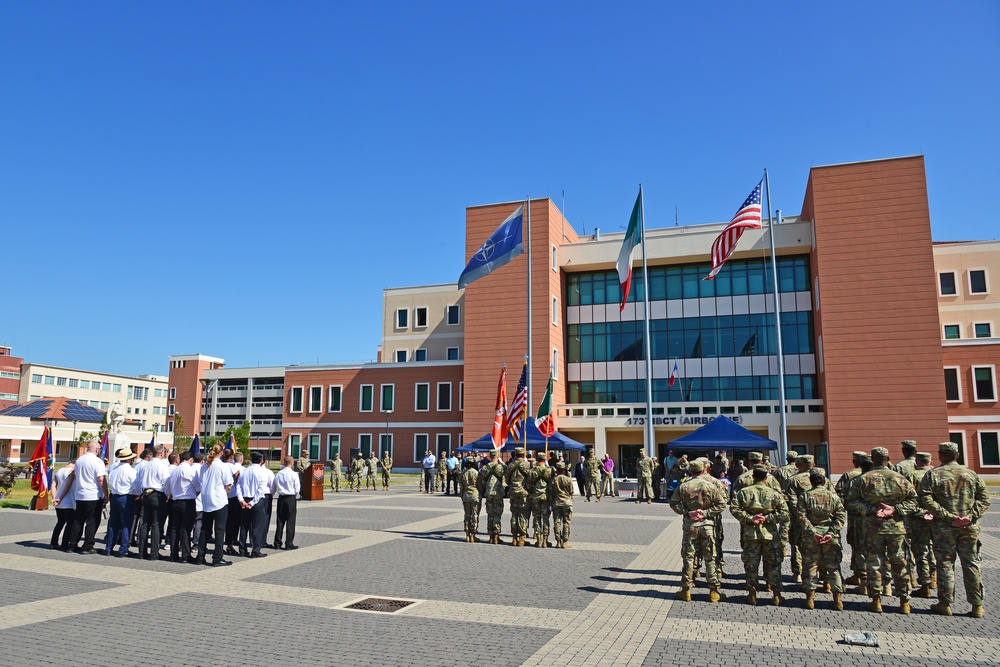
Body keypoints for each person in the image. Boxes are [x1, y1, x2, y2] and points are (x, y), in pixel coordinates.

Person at [919, 441, 990, 618]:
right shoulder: (971, 474)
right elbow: (984, 499)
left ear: (940, 455)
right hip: (968, 527)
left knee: (945, 565)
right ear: (957, 455)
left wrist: (948, 516)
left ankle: (945, 603)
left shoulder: (932, 475)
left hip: (944, 528)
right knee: (972, 564)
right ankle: (977, 606)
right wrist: (970, 516)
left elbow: (925, 499)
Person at [848, 447, 917, 614]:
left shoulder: (863, 479)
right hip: (896, 529)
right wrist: (895, 509)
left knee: (874, 564)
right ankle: (904, 602)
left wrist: (871, 509)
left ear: (873, 459)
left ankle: (876, 600)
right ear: (888, 458)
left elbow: (850, 502)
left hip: (872, 528)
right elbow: (914, 502)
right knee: (900, 564)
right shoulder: (900, 479)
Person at [670, 459, 727, 602]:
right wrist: (706, 513)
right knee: (710, 558)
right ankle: (713, 592)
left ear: (690, 471)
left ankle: (686, 590)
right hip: (707, 526)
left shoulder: (684, 486)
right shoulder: (711, 486)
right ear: (704, 470)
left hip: (690, 526)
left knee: (689, 557)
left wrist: (687, 512)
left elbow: (673, 503)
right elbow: (722, 504)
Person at [731, 466, 789, 606]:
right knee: (773, 564)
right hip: (769, 534)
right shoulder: (774, 494)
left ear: (753, 477)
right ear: (767, 478)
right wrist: (768, 518)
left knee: (751, 565)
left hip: (751, 534)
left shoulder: (744, 492)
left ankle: (752, 594)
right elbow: (784, 513)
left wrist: (750, 518)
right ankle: (776, 595)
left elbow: (734, 508)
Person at [798, 468, 847, 611]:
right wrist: (831, 533)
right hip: (830, 538)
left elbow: (801, 517)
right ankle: (838, 600)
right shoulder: (833, 496)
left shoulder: (805, 496)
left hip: (810, 537)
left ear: (811, 482)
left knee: (810, 567)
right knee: (834, 568)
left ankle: (810, 599)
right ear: (824, 481)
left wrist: (813, 532)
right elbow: (840, 516)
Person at [57, 440, 108, 554]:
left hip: (79, 495)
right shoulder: (97, 461)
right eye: (99, 449)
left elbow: (74, 476)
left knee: (78, 521)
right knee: (92, 521)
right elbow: (101, 479)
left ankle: (72, 544)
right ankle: (87, 546)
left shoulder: (79, 461)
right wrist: (106, 493)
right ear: (96, 450)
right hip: (93, 495)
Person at [198, 444, 235, 566]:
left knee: (205, 529)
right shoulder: (222, 466)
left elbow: (201, 481)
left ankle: (200, 556)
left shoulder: (205, 465)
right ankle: (217, 557)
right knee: (219, 530)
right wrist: (225, 493)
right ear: (222, 452)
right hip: (219, 500)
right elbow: (228, 485)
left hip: (206, 500)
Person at [835, 451, 867, 586]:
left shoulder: (850, 475)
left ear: (855, 461)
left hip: (856, 518)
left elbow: (839, 495)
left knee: (857, 545)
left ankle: (861, 577)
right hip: (879, 519)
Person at [136, 444, 170, 560]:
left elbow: (140, 480)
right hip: (157, 494)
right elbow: (166, 482)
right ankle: (154, 552)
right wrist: (168, 495)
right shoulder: (161, 466)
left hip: (146, 494)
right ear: (161, 454)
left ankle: (142, 551)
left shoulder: (146, 465)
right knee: (156, 524)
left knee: (145, 523)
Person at [166, 448, 200, 563]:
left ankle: (173, 553)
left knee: (175, 528)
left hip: (175, 500)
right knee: (186, 529)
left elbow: (169, 486)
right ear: (190, 460)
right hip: (187, 501)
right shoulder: (190, 471)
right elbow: (198, 487)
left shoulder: (174, 470)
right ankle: (186, 555)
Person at [104, 448, 137, 558]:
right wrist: (138, 494)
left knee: (113, 523)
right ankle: (123, 549)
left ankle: (109, 548)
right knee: (125, 524)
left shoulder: (114, 470)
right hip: (126, 497)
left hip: (115, 496)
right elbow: (136, 487)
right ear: (129, 459)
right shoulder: (131, 471)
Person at [237, 452, 268, 558]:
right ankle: (256, 549)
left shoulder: (244, 471)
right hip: (256, 501)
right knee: (257, 526)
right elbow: (260, 490)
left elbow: (238, 486)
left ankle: (242, 549)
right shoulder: (262, 472)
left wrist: (241, 500)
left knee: (244, 526)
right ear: (261, 460)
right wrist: (253, 502)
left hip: (245, 499)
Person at [477, 449, 506, 544]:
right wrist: (501, 462)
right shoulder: (501, 467)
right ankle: (496, 536)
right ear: (497, 456)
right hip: (498, 493)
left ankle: (490, 536)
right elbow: (508, 472)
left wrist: (485, 487)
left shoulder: (485, 468)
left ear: (490, 456)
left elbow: (481, 481)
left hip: (488, 493)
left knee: (490, 514)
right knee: (497, 514)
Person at [505, 447, 532, 546]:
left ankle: (514, 538)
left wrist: (512, 485)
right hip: (523, 492)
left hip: (513, 492)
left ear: (515, 454)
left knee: (514, 514)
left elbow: (507, 480)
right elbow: (530, 480)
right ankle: (522, 538)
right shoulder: (527, 465)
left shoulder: (510, 465)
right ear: (524, 454)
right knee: (523, 515)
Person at [273, 456, 300, 550]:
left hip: (281, 498)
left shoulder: (279, 474)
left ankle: (277, 542)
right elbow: (297, 488)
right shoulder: (294, 474)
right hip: (290, 498)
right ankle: (289, 543)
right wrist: (295, 495)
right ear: (292, 463)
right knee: (290, 521)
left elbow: (275, 485)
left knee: (280, 521)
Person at [528, 451, 554, 547]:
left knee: (536, 518)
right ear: (544, 459)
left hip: (536, 496)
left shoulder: (533, 471)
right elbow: (552, 484)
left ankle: (538, 539)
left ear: (537, 459)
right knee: (546, 518)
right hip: (546, 497)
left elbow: (529, 485)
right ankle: (545, 540)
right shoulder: (550, 471)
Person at [50, 456, 76, 550]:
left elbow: (53, 485)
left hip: (58, 501)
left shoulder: (59, 470)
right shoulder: (71, 472)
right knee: (70, 523)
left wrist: (54, 497)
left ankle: (54, 542)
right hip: (68, 500)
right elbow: (68, 486)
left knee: (60, 522)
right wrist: (60, 498)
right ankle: (65, 543)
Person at [223, 450, 243, 555]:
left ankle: (225, 541)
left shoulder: (221, 466)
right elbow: (237, 480)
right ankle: (230, 543)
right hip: (232, 496)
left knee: (223, 521)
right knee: (232, 522)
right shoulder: (233, 467)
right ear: (231, 457)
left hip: (222, 497)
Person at [551, 462, 574, 548]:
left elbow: (551, 492)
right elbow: (571, 491)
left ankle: (557, 541)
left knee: (557, 522)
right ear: (564, 470)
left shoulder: (554, 479)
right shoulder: (568, 479)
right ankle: (565, 541)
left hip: (556, 502)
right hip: (567, 503)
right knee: (566, 522)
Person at [459, 456, 481, 542]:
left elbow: (461, 487)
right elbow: (480, 485)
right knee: (474, 515)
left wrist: (462, 496)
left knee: (467, 515)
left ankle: (467, 534)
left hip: (466, 495)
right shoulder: (476, 473)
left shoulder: (463, 474)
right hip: (475, 495)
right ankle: (473, 534)